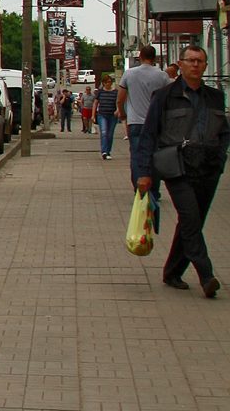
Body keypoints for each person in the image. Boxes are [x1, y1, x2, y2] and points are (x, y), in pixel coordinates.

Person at [134, 44, 227, 298]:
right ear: (181, 64)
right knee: (190, 219)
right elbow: (149, 135)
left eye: (200, 61)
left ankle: (172, 272)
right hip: (177, 167)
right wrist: (144, 172)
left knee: (192, 222)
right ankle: (206, 275)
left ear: (206, 66)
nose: (196, 65)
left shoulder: (215, 97)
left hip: (207, 168)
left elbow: (223, 131)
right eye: (191, 60)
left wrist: (220, 159)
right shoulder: (164, 96)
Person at [118, 44, 170, 148]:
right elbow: (168, 99)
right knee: (155, 155)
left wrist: (123, 114)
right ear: (154, 58)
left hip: (135, 122)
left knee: (137, 155)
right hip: (155, 121)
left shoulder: (129, 74)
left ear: (140, 56)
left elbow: (120, 99)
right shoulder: (163, 76)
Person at [94, 73, 120, 159]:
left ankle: (108, 151)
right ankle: (104, 151)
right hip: (102, 115)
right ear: (104, 83)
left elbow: (117, 102)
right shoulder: (100, 92)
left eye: (110, 82)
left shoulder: (115, 92)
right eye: (107, 82)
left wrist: (118, 110)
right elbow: (95, 103)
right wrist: (93, 115)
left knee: (110, 134)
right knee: (104, 132)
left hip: (112, 115)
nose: (109, 83)